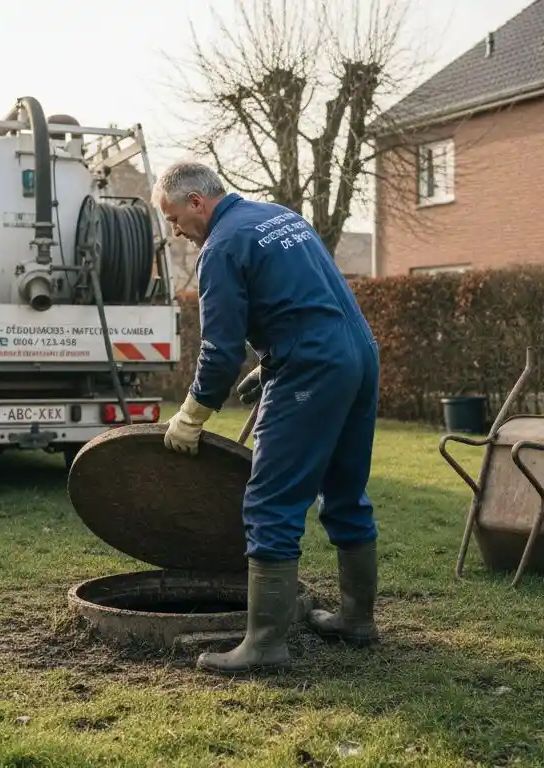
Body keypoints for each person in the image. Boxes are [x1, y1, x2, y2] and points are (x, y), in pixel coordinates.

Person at [151, 161, 381, 674]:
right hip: (358, 355)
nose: (177, 232)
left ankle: (264, 646)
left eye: (173, 219)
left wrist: (191, 415)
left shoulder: (222, 246)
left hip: (312, 367)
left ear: (196, 203)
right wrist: (268, 365)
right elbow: (307, 302)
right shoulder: (279, 217)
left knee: (270, 500)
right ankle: (357, 619)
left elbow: (219, 350)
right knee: (346, 490)